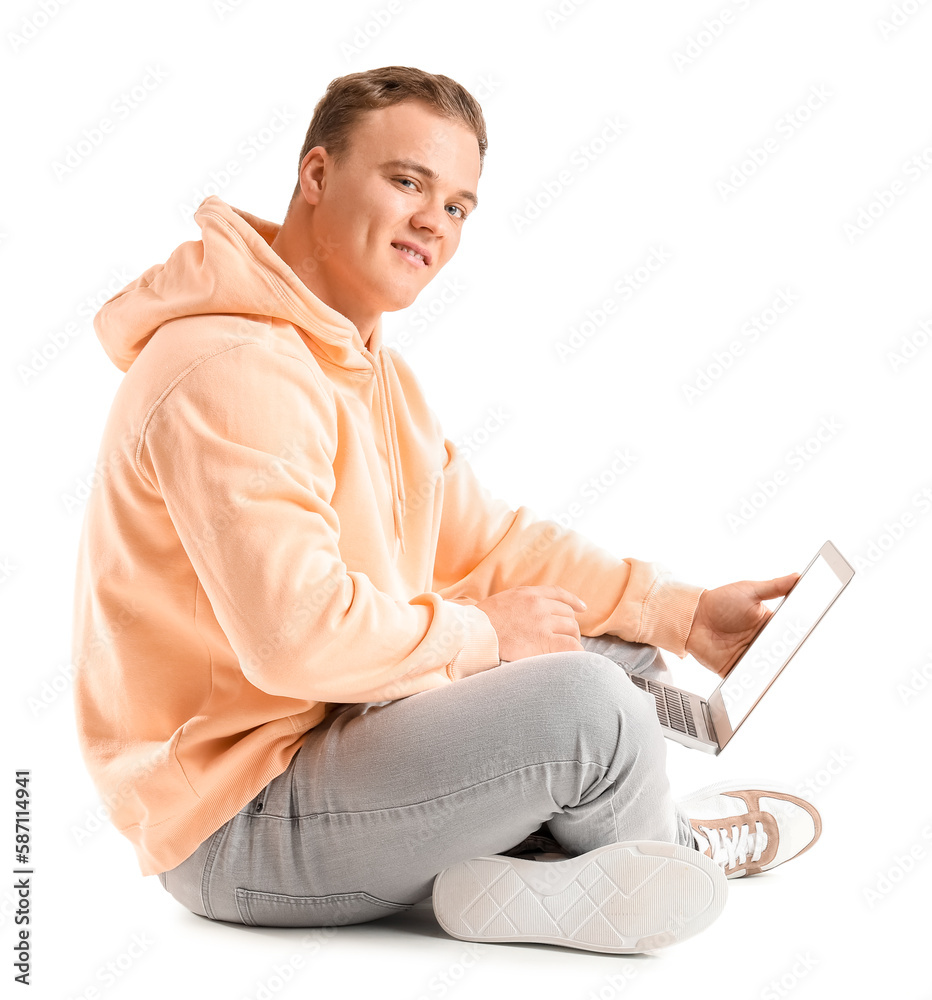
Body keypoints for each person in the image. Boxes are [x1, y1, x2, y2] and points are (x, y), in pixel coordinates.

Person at [71, 65, 821, 955]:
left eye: (459, 205)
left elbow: (494, 544)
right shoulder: (229, 368)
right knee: (590, 705)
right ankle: (665, 850)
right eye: (407, 181)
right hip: (240, 823)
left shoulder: (365, 368)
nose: (434, 220)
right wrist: (484, 639)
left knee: (616, 651)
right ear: (317, 177)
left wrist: (685, 612)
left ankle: (548, 871)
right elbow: (296, 637)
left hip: (334, 743)